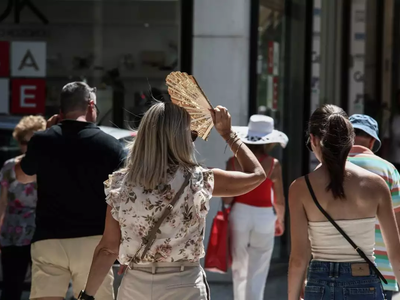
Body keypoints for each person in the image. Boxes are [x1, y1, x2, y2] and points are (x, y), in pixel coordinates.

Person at [77, 102, 266, 300]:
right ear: (180, 139)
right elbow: (257, 175)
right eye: (191, 134)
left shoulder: (121, 184)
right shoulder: (198, 180)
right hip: (184, 284)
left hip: (136, 284)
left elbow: (108, 249)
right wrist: (228, 134)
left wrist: (87, 295)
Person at [14, 82, 125, 300]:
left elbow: (21, 175)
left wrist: (45, 135)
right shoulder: (110, 145)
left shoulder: (43, 141)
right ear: (91, 106)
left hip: (49, 240)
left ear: (61, 111)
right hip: (94, 243)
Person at [288, 104, 400, 300]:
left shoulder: (300, 188)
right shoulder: (376, 185)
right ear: (350, 140)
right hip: (365, 282)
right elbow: (395, 253)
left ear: (313, 140)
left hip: (319, 284)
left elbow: (298, 259)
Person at [223, 114, 288, 300]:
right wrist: (280, 220)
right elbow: (280, 200)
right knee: (259, 266)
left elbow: (227, 200)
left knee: (239, 264)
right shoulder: (273, 165)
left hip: (240, 214)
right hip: (265, 216)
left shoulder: (233, 162)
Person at [347, 114, 400, 299]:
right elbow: (397, 224)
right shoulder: (388, 170)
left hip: (335, 271)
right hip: (382, 270)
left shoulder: (326, 169)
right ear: (371, 141)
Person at [0, 115, 46, 300]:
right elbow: (2, 203)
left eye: (33, 141)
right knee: (11, 286)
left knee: (42, 287)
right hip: (13, 233)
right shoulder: (9, 167)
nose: (28, 146)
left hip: (41, 235)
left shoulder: (48, 166)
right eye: (24, 141)